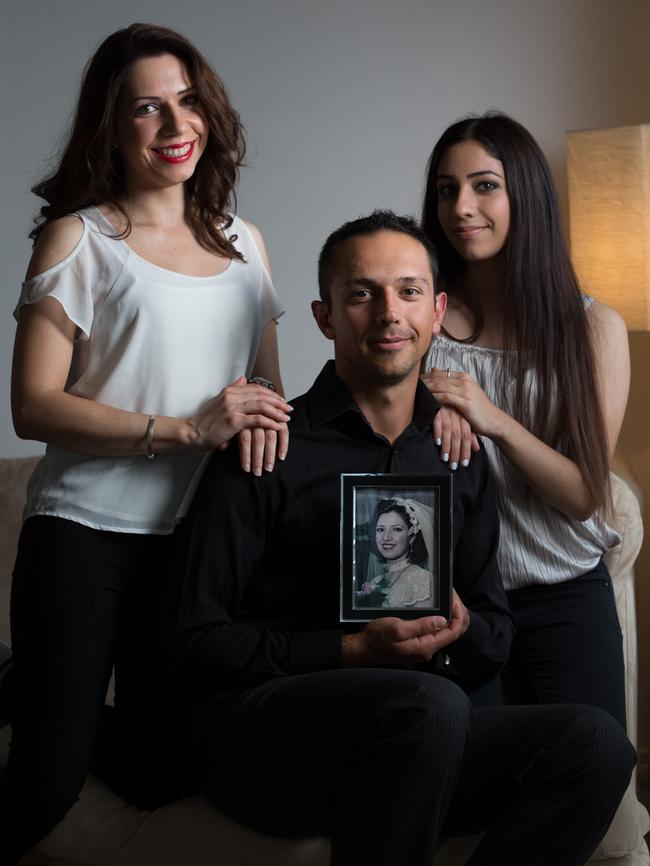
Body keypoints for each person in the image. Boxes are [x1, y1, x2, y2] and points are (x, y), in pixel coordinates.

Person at [159, 211, 634, 866]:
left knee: (598, 742)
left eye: (409, 291)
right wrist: (348, 650)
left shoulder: (457, 454)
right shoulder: (269, 446)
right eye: (362, 293)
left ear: (437, 313)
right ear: (325, 318)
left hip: (418, 742)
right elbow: (191, 641)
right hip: (272, 748)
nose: (389, 313)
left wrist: (464, 630)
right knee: (429, 703)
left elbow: (495, 631)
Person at [0, 23, 292, 866]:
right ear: (111, 126)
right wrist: (187, 431)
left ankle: (26, 685)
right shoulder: (80, 238)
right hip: (84, 536)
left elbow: (264, 396)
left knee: (166, 773)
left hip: (198, 551)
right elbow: (32, 405)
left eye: (189, 101)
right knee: (44, 789)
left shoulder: (247, 243)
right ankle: (25, 689)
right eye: (147, 108)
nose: (176, 125)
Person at [419, 112, 630, 728]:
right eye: (446, 188)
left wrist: (494, 420)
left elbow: (584, 494)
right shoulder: (418, 315)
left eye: (485, 185)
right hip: (455, 598)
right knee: (463, 780)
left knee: (596, 765)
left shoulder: (592, 329)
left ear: (526, 196)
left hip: (562, 592)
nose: (462, 206)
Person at [357, 497, 436, 608]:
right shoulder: (376, 581)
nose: (386, 537)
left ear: (412, 537)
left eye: (396, 529)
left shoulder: (424, 581)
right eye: (380, 529)